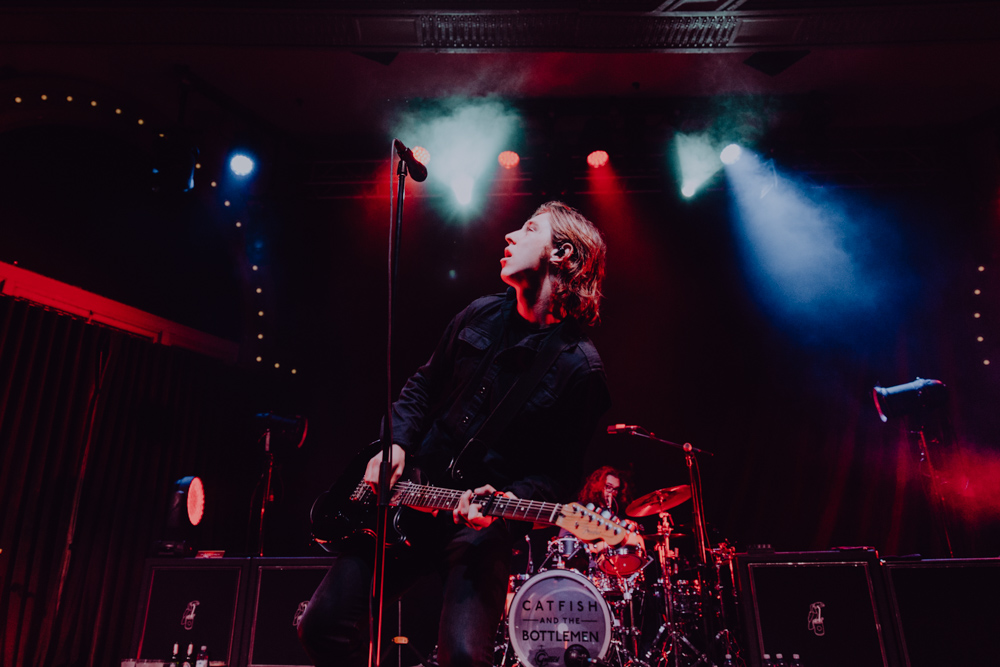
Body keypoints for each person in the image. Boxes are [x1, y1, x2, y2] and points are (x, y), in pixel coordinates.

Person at [297, 201, 611, 667]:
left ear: (562, 254)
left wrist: (503, 500)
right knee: (319, 626)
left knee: (464, 658)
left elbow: (559, 475)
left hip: (477, 529)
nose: (509, 235)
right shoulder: (478, 314)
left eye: (527, 229)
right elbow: (422, 385)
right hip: (409, 497)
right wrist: (395, 443)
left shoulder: (580, 368)